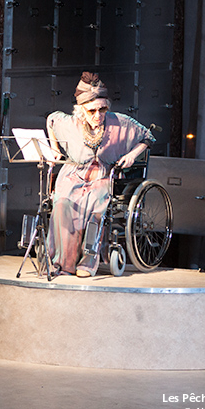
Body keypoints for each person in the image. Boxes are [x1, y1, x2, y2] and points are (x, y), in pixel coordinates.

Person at [46, 71, 156, 277]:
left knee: (95, 204)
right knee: (62, 203)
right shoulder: (70, 123)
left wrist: (132, 154)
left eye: (102, 109)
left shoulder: (119, 123)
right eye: (92, 111)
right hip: (74, 173)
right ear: (81, 111)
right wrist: (55, 149)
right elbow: (51, 120)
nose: (98, 115)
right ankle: (63, 262)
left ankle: (87, 261)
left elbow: (147, 136)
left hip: (104, 175)